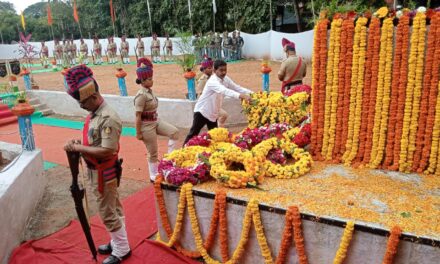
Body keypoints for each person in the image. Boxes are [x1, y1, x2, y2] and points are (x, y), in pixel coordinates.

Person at [63, 65, 131, 264]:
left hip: (105, 172)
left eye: (83, 102)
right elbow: (93, 142)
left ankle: (121, 249)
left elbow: (108, 150)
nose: (81, 106)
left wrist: (78, 150)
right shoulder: (95, 114)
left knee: (108, 212)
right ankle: (118, 241)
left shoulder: (107, 117)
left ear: (93, 96)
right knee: (114, 208)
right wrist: (79, 144)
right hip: (98, 170)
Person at [184, 60, 251, 144]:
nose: (223, 72)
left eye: (225, 70)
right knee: (193, 133)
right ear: (215, 71)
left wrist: (252, 94)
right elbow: (224, 90)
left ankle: (213, 154)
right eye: (221, 70)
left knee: (215, 136)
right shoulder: (213, 81)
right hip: (202, 111)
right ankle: (181, 151)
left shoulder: (226, 79)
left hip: (213, 113)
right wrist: (241, 96)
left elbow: (237, 87)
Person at [134, 58, 179, 182]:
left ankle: (170, 158)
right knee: (153, 152)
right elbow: (138, 116)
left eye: (151, 78)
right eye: (149, 79)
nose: (151, 81)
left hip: (155, 121)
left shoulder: (149, 92)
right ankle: (153, 175)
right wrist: (138, 132)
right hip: (146, 125)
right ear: (142, 81)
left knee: (174, 132)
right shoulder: (141, 96)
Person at [196, 57, 229, 128]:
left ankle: (219, 130)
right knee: (222, 115)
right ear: (204, 69)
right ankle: (219, 130)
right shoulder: (202, 80)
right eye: (209, 68)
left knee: (223, 115)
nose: (211, 69)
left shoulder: (214, 77)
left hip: (214, 104)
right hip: (206, 105)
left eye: (211, 67)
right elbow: (202, 94)